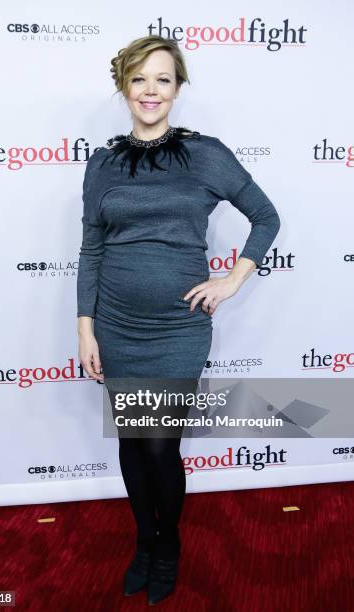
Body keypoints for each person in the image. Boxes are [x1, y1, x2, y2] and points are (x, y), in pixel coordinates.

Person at [77, 35, 281, 605]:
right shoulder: (103, 163)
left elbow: (265, 216)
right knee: (132, 439)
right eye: (140, 78)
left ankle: (168, 547)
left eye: (163, 79)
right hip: (115, 325)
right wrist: (85, 328)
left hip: (177, 329)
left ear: (177, 88)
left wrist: (233, 278)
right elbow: (91, 249)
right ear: (124, 85)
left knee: (161, 444)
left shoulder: (206, 154)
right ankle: (144, 542)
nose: (150, 90)